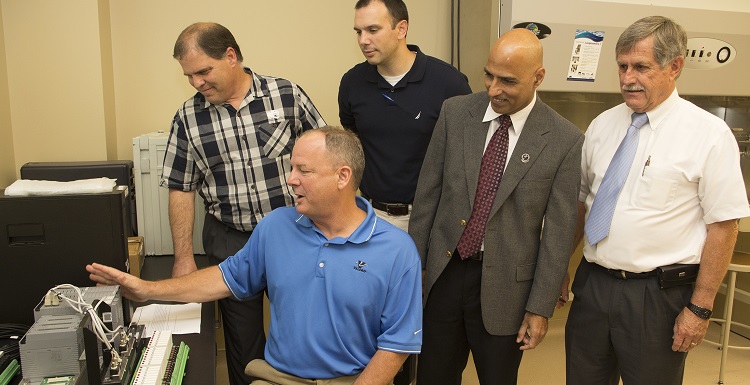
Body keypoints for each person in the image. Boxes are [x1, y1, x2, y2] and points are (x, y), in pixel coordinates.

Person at [91, 127, 422, 385]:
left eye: (303, 171)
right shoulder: (277, 225)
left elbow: (397, 345)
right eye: (291, 168)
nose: (290, 180)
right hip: (280, 377)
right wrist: (147, 290)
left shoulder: (396, 249)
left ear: (343, 176)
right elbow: (223, 279)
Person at [565, 16, 750, 385]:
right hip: (593, 287)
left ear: (675, 66)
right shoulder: (602, 125)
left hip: (657, 296)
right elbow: (583, 205)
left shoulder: (708, 135)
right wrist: (557, 271)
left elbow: (724, 225)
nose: (627, 78)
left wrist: (699, 308)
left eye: (641, 67)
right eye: (622, 66)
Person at [409, 28, 583, 385]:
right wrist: (417, 268)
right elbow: (428, 195)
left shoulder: (564, 139)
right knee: (432, 376)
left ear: (538, 78)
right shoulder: (456, 113)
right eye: (488, 75)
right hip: (445, 273)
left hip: (508, 286)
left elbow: (559, 233)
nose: (493, 89)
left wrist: (539, 307)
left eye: (507, 80)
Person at [161, 22, 326, 385]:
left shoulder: (286, 95)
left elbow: (326, 155)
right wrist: (184, 258)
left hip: (294, 233)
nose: (197, 83)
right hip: (230, 240)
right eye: (189, 76)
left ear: (231, 56)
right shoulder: (188, 118)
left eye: (203, 71)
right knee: (242, 341)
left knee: (304, 328)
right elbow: (180, 188)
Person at [339, 0, 471, 232]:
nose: (363, 41)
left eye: (373, 30)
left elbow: (466, 154)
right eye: (358, 32)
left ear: (401, 29)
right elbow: (354, 140)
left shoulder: (449, 83)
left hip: (429, 219)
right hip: (369, 215)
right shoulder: (352, 83)